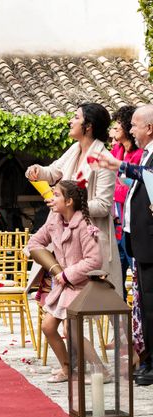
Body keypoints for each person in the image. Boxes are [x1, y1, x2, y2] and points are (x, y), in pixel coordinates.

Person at [26, 103, 121, 298]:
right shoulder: (74, 149)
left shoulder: (104, 158)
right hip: (62, 233)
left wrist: (68, 205)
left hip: (87, 239)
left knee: (77, 304)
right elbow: (53, 171)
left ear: (89, 126)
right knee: (55, 305)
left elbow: (103, 206)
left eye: (76, 117)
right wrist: (37, 171)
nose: (71, 121)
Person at [97, 104, 153, 385]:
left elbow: (150, 179)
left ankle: (151, 363)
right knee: (144, 302)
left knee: (152, 303)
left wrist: (121, 165)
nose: (130, 130)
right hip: (139, 241)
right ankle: (147, 359)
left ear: (149, 128)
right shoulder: (145, 154)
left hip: (150, 241)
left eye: (133, 125)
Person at [27, 181, 103, 382]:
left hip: (83, 287)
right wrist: (55, 269)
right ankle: (68, 368)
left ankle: (100, 370)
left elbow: (94, 260)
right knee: (48, 327)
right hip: (63, 286)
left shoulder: (85, 226)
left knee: (71, 329)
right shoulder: (54, 221)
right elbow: (34, 243)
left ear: (69, 201)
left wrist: (67, 274)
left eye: (56, 195)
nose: (51, 199)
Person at [109, 106, 143, 297]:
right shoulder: (116, 150)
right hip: (115, 219)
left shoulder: (139, 155)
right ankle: (121, 319)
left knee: (133, 266)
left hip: (129, 217)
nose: (114, 129)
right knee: (116, 273)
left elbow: (136, 189)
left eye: (118, 125)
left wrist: (118, 187)